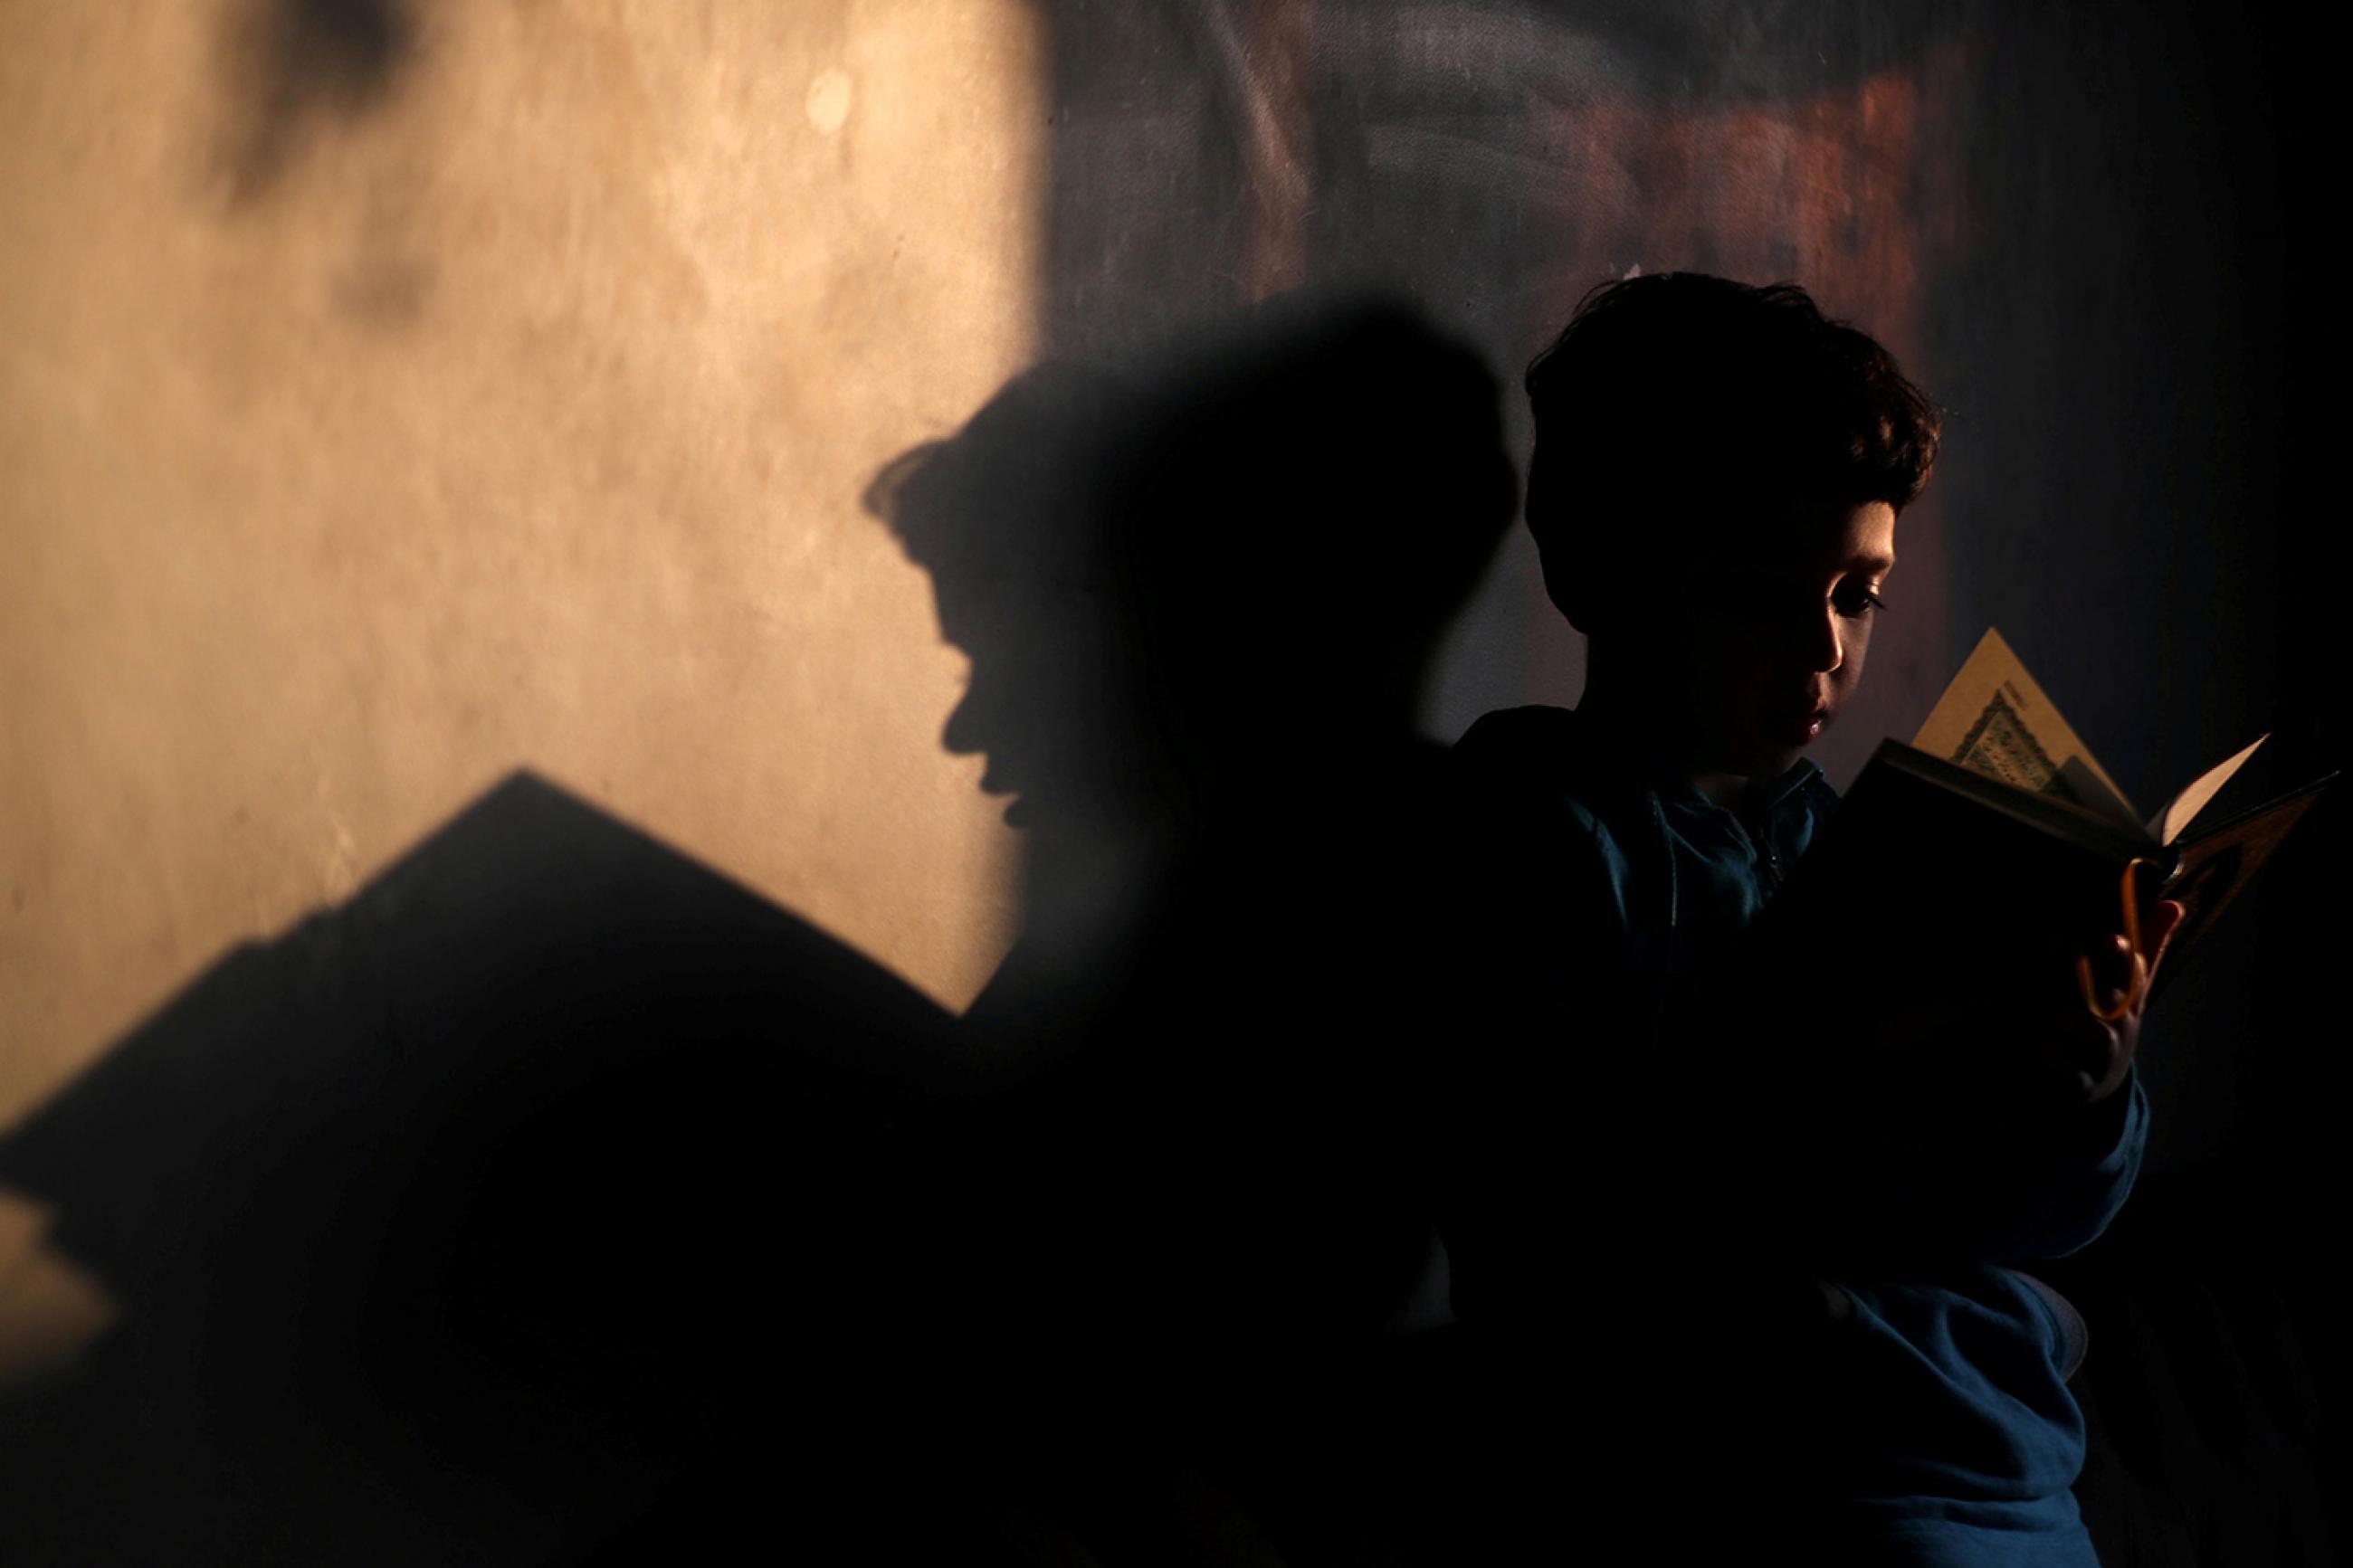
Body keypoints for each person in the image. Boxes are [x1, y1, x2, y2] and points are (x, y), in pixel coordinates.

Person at [1439, 272, 2181, 1563]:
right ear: (1616, 569)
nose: (1828, 647)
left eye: (1858, 592)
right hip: (1803, 1482)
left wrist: (2085, 1083)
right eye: (1765, 590)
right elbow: (1575, 1262)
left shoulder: (1848, 841)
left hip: (2005, 1465)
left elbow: (2036, 1221)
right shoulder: (1536, 834)